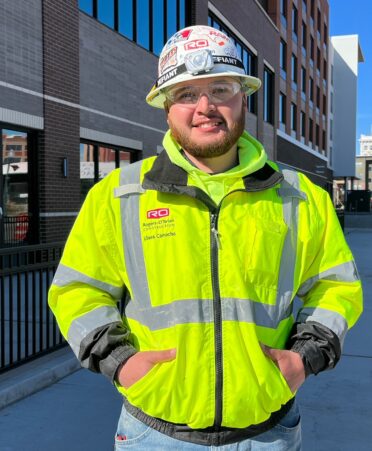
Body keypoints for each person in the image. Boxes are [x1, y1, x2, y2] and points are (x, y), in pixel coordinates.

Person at [48, 25, 363, 450]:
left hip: (266, 434)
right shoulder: (119, 195)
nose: (205, 106)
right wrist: (121, 363)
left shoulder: (300, 197)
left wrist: (304, 359)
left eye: (220, 89)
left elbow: (337, 287)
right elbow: (77, 291)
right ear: (165, 108)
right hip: (153, 435)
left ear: (243, 98)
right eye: (185, 94)